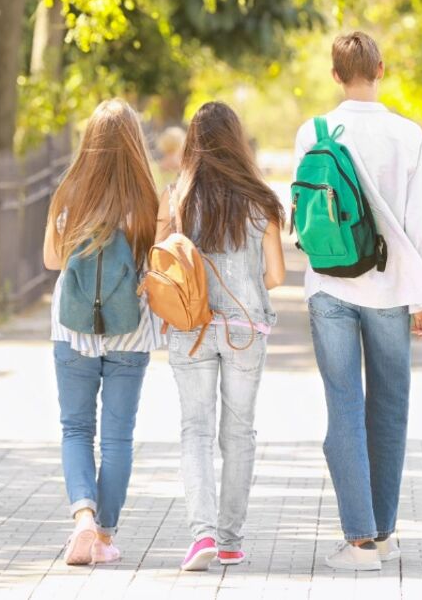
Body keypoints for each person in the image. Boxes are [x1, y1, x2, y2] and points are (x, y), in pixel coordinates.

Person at [293, 32, 422, 571]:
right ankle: (383, 533)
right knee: (389, 408)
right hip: (389, 287)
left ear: (335, 74)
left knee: (344, 408)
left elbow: (305, 209)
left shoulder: (312, 131)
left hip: (328, 285)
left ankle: (357, 543)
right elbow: (418, 222)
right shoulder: (408, 135)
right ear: (381, 68)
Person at [155, 101, 286, 571]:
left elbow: (162, 261)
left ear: (193, 143)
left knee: (195, 429)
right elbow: (274, 277)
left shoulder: (178, 197)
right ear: (237, 141)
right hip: (245, 329)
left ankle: (202, 536)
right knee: (239, 432)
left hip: (190, 327)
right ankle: (230, 539)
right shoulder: (261, 200)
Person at [42, 99, 161, 566]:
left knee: (75, 428)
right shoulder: (147, 202)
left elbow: (52, 260)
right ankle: (106, 537)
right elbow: (156, 266)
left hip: (72, 330)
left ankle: (83, 521)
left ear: (89, 143)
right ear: (134, 144)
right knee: (117, 437)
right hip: (131, 332)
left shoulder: (68, 195)